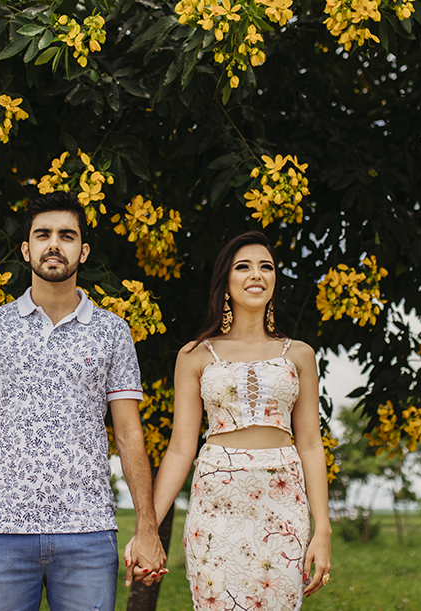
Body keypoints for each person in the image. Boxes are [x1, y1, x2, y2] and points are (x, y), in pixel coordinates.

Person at [0, 191, 166, 611]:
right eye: (43, 235)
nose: (54, 244)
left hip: (88, 532)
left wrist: (147, 528)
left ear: (84, 250)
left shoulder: (113, 332)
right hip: (0, 531)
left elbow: (130, 435)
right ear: (26, 249)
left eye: (66, 235)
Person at [126, 230, 332, 609]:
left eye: (265, 267)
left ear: (274, 281)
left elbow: (310, 444)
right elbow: (179, 449)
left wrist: (324, 529)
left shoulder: (300, 354)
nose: (256, 274)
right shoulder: (194, 355)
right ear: (226, 281)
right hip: (215, 507)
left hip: (283, 503)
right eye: (244, 267)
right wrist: (147, 528)